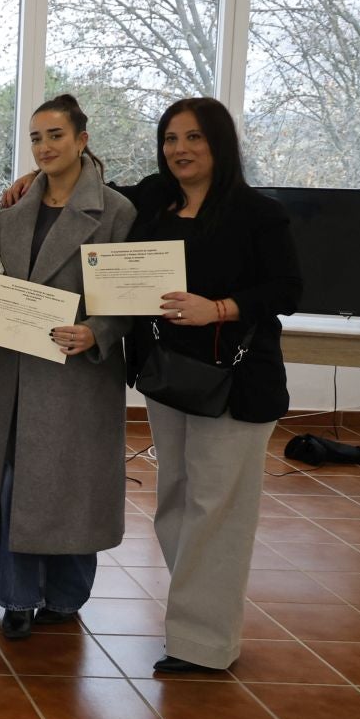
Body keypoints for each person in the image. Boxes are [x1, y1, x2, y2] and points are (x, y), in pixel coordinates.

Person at [127, 98, 300, 673]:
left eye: (194, 138)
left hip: (236, 380)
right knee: (175, 502)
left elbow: (287, 290)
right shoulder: (154, 199)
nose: (180, 149)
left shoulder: (258, 213)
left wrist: (219, 308)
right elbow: (92, 185)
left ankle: (202, 645)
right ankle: (199, 616)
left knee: (216, 508)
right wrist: (30, 178)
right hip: (168, 377)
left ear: (219, 144)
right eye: (171, 138)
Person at [0, 95, 136, 640]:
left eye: (55, 135)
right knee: (10, 487)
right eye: (36, 138)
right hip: (11, 374)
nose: (45, 147)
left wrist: (97, 333)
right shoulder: (8, 213)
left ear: (82, 140)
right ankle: (15, 597)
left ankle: (66, 596)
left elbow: (129, 297)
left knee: (70, 491)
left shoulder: (118, 212)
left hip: (74, 377)